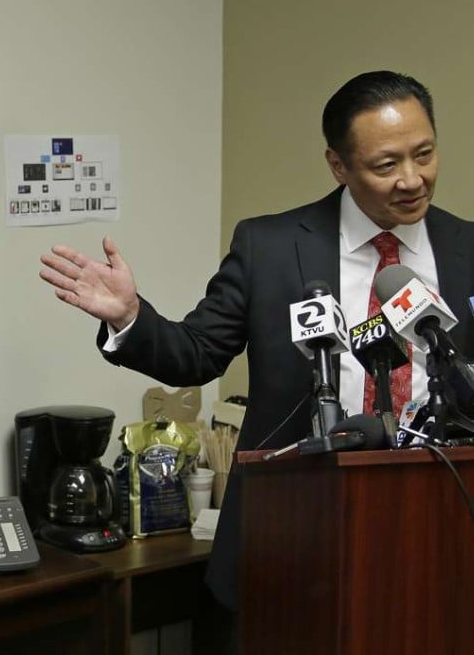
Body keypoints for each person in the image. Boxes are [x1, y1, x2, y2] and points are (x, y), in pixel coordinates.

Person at [39, 71, 474, 649]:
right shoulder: (269, 246)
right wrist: (129, 316)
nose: (412, 180)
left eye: (424, 154)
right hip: (291, 536)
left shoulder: (466, 248)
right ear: (339, 166)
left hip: (437, 538)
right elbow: (197, 353)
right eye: (386, 164)